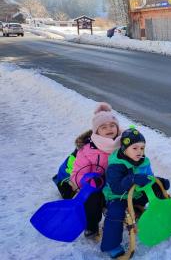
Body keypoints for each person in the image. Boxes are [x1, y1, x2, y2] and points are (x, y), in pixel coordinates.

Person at [53, 102, 122, 240]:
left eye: (112, 125)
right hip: (94, 184)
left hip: (115, 182)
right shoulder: (87, 150)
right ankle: (92, 225)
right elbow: (77, 174)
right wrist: (88, 180)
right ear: (96, 131)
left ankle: (135, 210)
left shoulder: (123, 144)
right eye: (104, 127)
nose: (109, 129)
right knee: (92, 199)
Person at [100, 126, 170, 258]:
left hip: (136, 194)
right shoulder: (116, 165)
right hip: (117, 196)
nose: (139, 152)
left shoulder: (143, 161)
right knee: (116, 212)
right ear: (124, 149)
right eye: (135, 148)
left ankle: (163, 212)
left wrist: (158, 182)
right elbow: (116, 187)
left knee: (156, 190)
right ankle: (112, 244)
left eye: (142, 148)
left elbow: (149, 177)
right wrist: (131, 179)